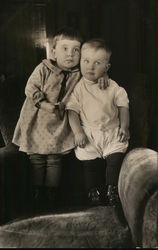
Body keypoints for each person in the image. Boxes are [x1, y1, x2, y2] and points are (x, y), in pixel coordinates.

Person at [12, 28, 109, 213]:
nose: (70, 54)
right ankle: (37, 193)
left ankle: (51, 196)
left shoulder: (78, 73)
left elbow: (93, 72)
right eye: (64, 49)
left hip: (59, 124)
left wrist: (102, 75)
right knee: (37, 159)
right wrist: (42, 103)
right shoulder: (43, 68)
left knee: (55, 159)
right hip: (37, 120)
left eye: (76, 50)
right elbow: (30, 87)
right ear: (53, 51)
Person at [67, 38, 130, 207]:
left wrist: (125, 126)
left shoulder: (113, 86)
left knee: (115, 160)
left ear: (106, 67)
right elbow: (72, 111)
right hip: (89, 133)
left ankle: (113, 190)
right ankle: (93, 192)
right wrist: (78, 132)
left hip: (111, 131)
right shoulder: (78, 87)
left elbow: (123, 106)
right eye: (86, 61)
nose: (90, 67)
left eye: (98, 63)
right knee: (89, 165)